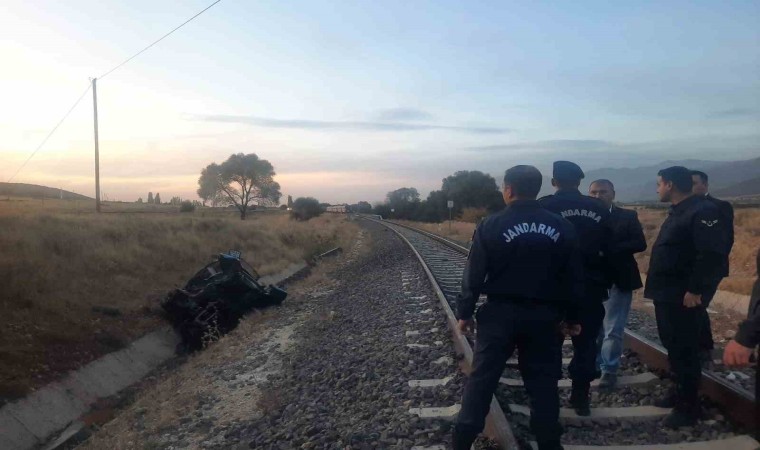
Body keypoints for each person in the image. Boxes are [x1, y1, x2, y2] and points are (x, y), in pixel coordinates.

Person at [453, 165, 584, 450]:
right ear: (537, 189)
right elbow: (573, 277)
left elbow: (473, 275)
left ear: (509, 189)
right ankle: (549, 443)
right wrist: (573, 317)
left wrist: (464, 313)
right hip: (544, 317)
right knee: (543, 384)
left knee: (482, 381)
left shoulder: (490, 225)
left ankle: (461, 442)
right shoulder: (563, 227)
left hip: (499, 315)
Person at [644, 166, 728, 428]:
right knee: (674, 345)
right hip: (668, 293)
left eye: (659, 184)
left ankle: (689, 408)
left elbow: (711, 255)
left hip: (683, 294)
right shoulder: (680, 210)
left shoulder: (702, 211)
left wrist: (696, 290)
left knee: (685, 349)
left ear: (670, 185)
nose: (657, 189)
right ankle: (679, 391)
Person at [539, 161, 612, 415]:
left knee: (549, 344)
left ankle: (547, 399)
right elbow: (610, 247)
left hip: (552, 289)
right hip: (590, 287)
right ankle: (580, 398)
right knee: (586, 343)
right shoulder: (599, 208)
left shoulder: (544, 206)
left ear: (553, 182)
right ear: (580, 182)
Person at [588, 179, 647, 389]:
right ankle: (595, 365)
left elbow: (640, 243)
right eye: (594, 192)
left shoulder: (627, 216)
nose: (598, 196)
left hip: (619, 279)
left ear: (613, 194)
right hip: (591, 280)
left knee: (613, 328)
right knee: (594, 327)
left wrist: (608, 250)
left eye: (603, 192)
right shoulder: (584, 217)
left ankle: (609, 370)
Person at [692, 170, 735, 363]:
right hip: (691, 269)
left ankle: (702, 350)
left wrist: (713, 262)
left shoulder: (720, 206)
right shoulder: (685, 206)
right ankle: (704, 346)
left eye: (695, 183)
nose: (691, 187)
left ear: (705, 184)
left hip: (711, 267)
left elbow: (725, 240)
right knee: (695, 307)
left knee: (698, 304)